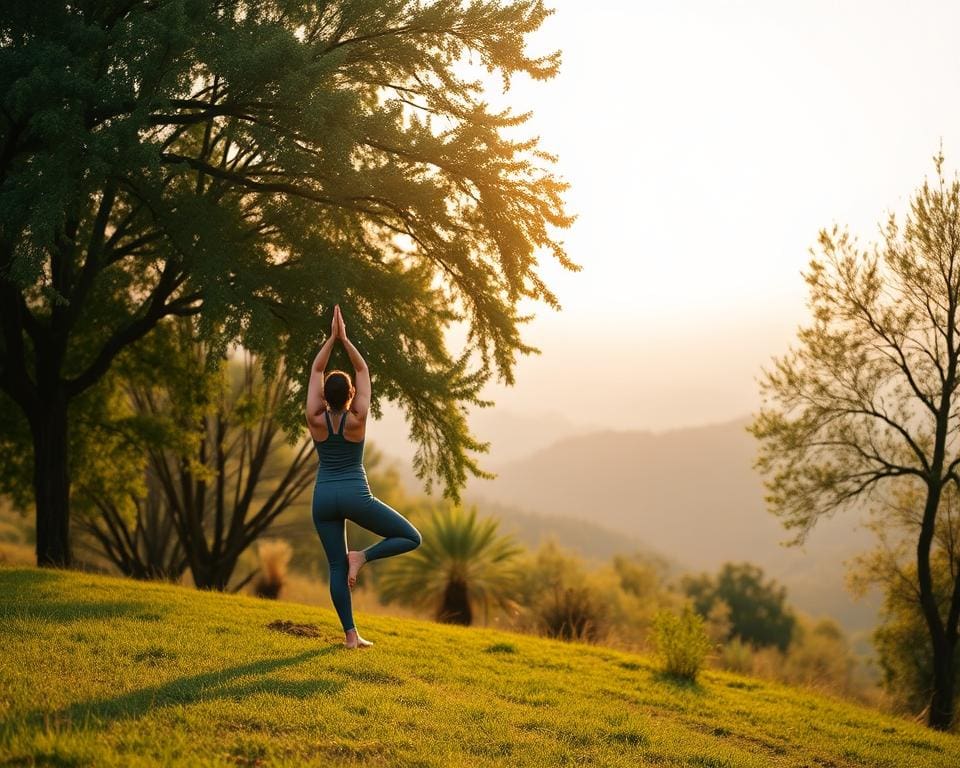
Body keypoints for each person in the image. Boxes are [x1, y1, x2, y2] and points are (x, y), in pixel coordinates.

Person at [305, 305, 422, 649]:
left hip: (323, 497)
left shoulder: (314, 418)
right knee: (410, 536)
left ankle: (351, 636)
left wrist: (330, 340)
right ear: (352, 395)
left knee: (335, 567)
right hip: (356, 496)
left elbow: (316, 368)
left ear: (325, 396)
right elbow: (362, 367)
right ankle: (363, 557)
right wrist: (345, 339)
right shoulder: (358, 418)